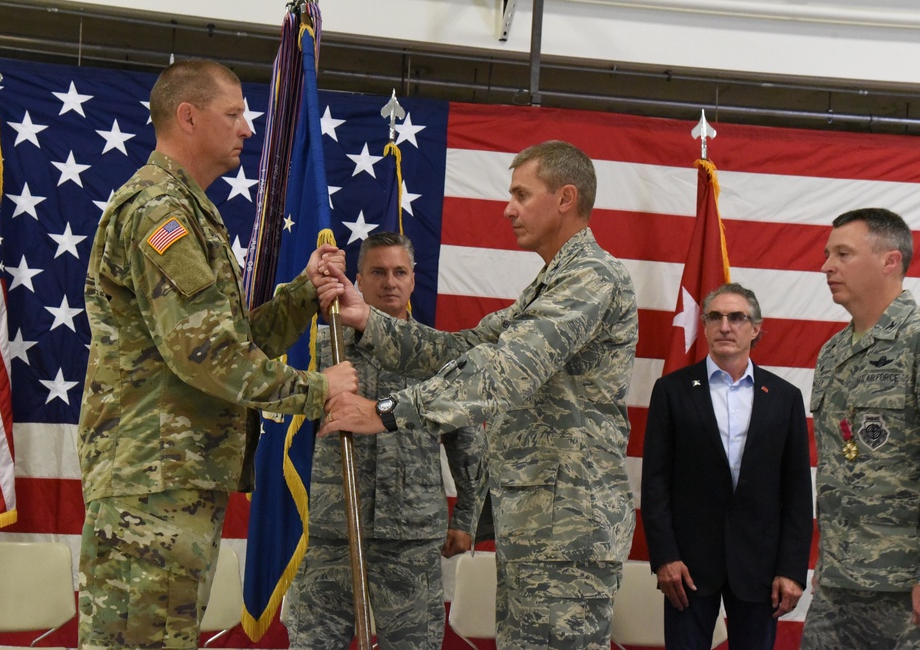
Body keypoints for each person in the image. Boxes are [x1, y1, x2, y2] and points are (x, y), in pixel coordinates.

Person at [76, 59, 357, 650]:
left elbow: (228, 339)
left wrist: (304, 294)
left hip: (173, 477)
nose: (248, 129)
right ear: (188, 116)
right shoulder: (160, 213)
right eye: (233, 115)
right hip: (151, 483)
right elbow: (204, 353)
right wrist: (316, 390)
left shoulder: (186, 209)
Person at [319, 140, 639, 649]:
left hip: (568, 526)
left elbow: (505, 369)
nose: (508, 208)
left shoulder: (591, 278)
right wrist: (368, 322)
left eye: (521, 193)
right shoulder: (552, 283)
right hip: (540, 522)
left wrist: (386, 412)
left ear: (565, 198)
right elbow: (462, 348)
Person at [284, 231, 486, 650]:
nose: (390, 282)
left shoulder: (436, 356)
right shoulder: (319, 351)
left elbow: (466, 441)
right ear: (357, 279)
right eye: (378, 272)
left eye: (400, 272)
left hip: (409, 536)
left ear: (414, 279)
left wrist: (467, 518)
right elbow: (281, 436)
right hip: (329, 530)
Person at [642, 283, 813, 650]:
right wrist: (665, 558)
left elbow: (797, 490)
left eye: (737, 317)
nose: (725, 326)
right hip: (687, 568)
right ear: (703, 326)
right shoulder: (671, 391)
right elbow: (655, 483)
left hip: (761, 568)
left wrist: (792, 569)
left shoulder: (784, 397)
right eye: (715, 317)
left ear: (755, 328)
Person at [801, 207, 920, 649]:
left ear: (889, 261)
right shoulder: (833, 353)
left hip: (907, 586)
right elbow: (839, 466)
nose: (826, 266)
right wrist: (828, 561)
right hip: (839, 582)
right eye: (827, 254)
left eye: (843, 253)